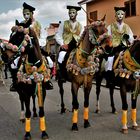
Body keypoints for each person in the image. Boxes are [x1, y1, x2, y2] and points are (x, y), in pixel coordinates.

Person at [105, 6, 134, 87]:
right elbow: (108, 36)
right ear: (115, 15)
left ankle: (132, 76)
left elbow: (131, 36)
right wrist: (109, 39)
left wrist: (129, 39)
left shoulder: (127, 26)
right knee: (110, 60)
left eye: (122, 14)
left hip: (124, 46)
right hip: (115, 47)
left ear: (124, 15)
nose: (120, 16)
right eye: (118, 14)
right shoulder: (111, 26)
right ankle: (109, 78)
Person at [55, 5, 83, 82]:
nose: (71, 14)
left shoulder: (80, 25)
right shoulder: (64, 23)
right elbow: (58, 35)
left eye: (73, 13)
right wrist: (62, 44)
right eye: (70, 13)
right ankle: (61, 75)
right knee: (61, 56)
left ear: (76, 14)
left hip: (76, 46)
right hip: (66, 46)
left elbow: (81, 36)